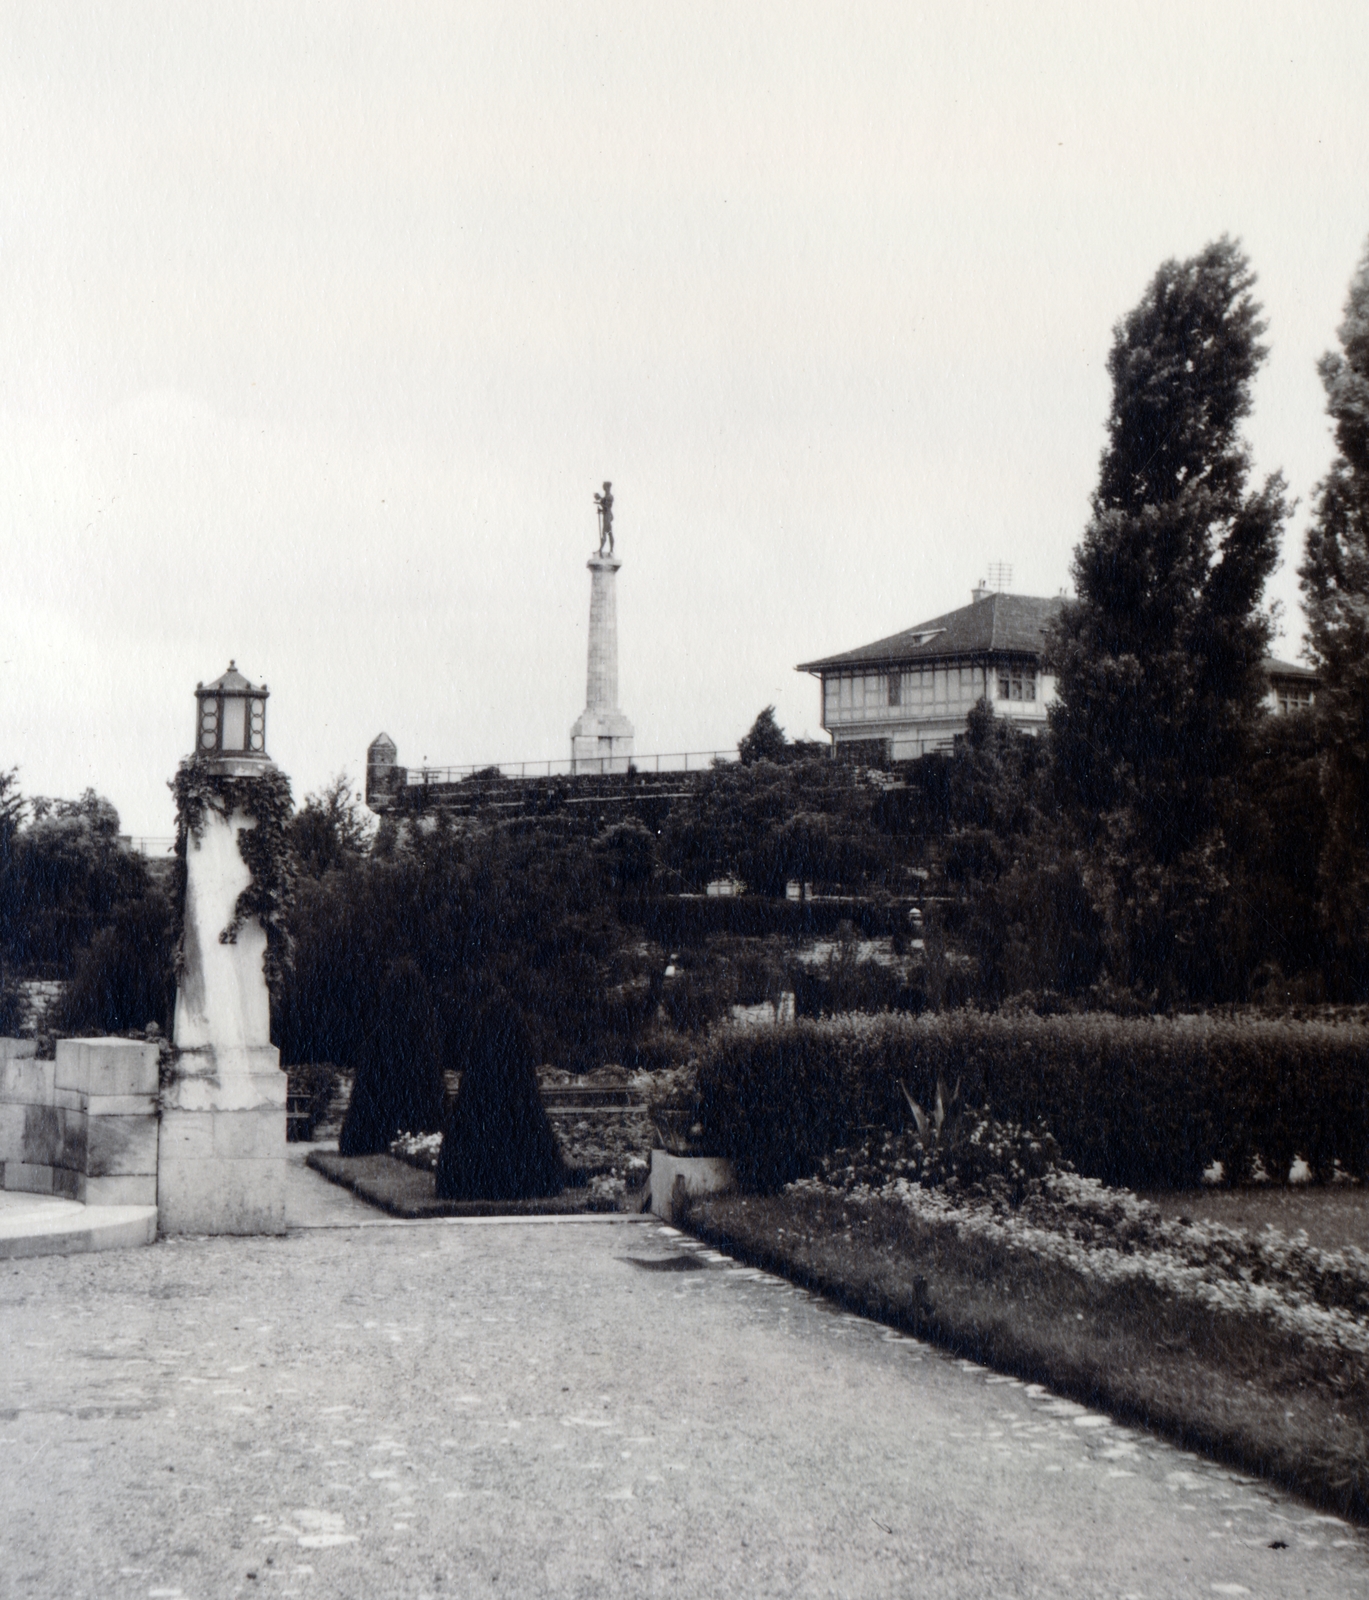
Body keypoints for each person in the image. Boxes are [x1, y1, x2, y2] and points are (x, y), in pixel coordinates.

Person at [594, 480, 614, 555]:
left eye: (605, 487)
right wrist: (601, 510)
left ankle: (610, 550)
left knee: (607, 532)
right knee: (606, 532)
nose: (604, 488)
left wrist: (600, 500)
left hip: (608, 516)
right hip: (606, 515)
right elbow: (604, 506)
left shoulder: (609, 497)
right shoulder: (606, 497)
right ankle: (602, 549)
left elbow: (607, 506)